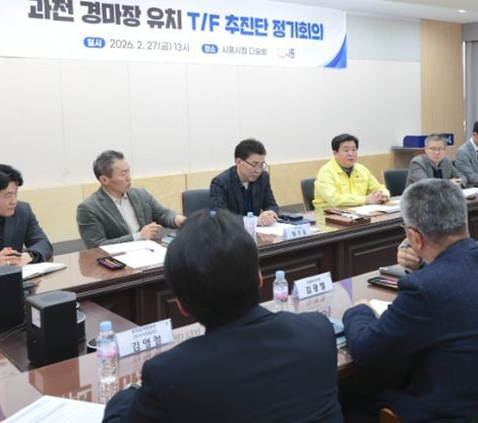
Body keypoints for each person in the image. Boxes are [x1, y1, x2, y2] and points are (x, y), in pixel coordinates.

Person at [103, 210, 343, 422]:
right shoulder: (318, 330)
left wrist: (128, 394)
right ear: (260, 279)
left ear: (182, 305)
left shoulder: (169, 375)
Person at [343, 179, 478, 422]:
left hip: (467, 413)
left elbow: (365, 351)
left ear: (415, 237)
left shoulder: (425, 289)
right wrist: (425, 265)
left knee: (352, 402)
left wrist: (359, 311)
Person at [77, 150, 186, 249]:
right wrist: (138, 237)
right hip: (118, 260)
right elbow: (97, 246)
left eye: (128, 172)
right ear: (105, 180)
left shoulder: (140, 194)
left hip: (148, 252)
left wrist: (182, 220)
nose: (128, 177)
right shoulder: (89, 208)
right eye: (123, 174)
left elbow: (163, 214)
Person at [0, 164, 52, 270]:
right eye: (8, 195)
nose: (14, 201)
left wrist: (28, 256)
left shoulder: (22, 211)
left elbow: (43, 243)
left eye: (15, 193)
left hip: (13, 278)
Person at [209, 138, 279, 226]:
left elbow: (271, 204)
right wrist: (254, 221)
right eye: (254, 165)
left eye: (261, 165)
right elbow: (220, 216)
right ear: (238, 162)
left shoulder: (263, 177)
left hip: (257, 231)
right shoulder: (220, 183)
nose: (258, 170)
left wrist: (270, 213)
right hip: (232, 231)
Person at [313, 133, 389, 209]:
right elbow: (335, 199)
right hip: (328, 213)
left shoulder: (362, 169)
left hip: (358, 211)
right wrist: (365, 199)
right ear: (335, 153)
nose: (351, 154)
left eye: (354, 150)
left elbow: (379, 188)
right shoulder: (325, 172)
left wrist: (383, 195)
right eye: (346, 150)